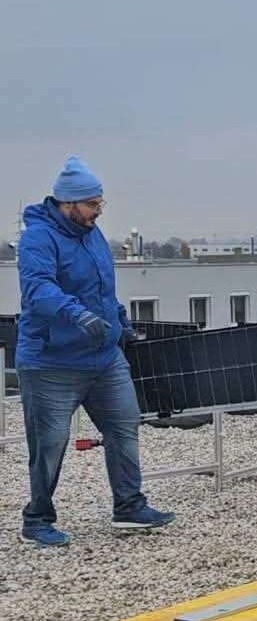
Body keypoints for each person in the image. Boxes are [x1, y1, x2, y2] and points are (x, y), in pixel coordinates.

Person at [15, 158, 176, 547]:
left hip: (103, 357)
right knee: (50, 443)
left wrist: (119, 321)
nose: (99, 210)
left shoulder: (92, 233)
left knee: (124, 427)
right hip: (51, 362)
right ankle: (37, 520)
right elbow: (37, 290)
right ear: (67, 204)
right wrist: (77, 314)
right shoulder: (38, 238)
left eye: (101, 203)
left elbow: (103, 288)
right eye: (92, 204)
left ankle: (130, 506)